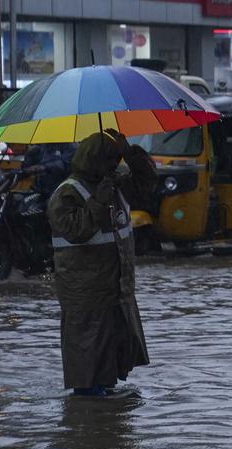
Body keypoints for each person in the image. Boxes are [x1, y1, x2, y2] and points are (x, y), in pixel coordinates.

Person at [47, 130, 157, 397]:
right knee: (87, 351)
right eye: (110, 159)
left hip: (114, 286)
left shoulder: (114, 184)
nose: (114, 165)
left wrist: (130, 151)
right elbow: (75, 229)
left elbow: (148, 182)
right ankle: (87, 406)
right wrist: (98, 202)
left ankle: (103, 402)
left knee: (112, 348)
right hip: (84, 290)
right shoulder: (67, 193)